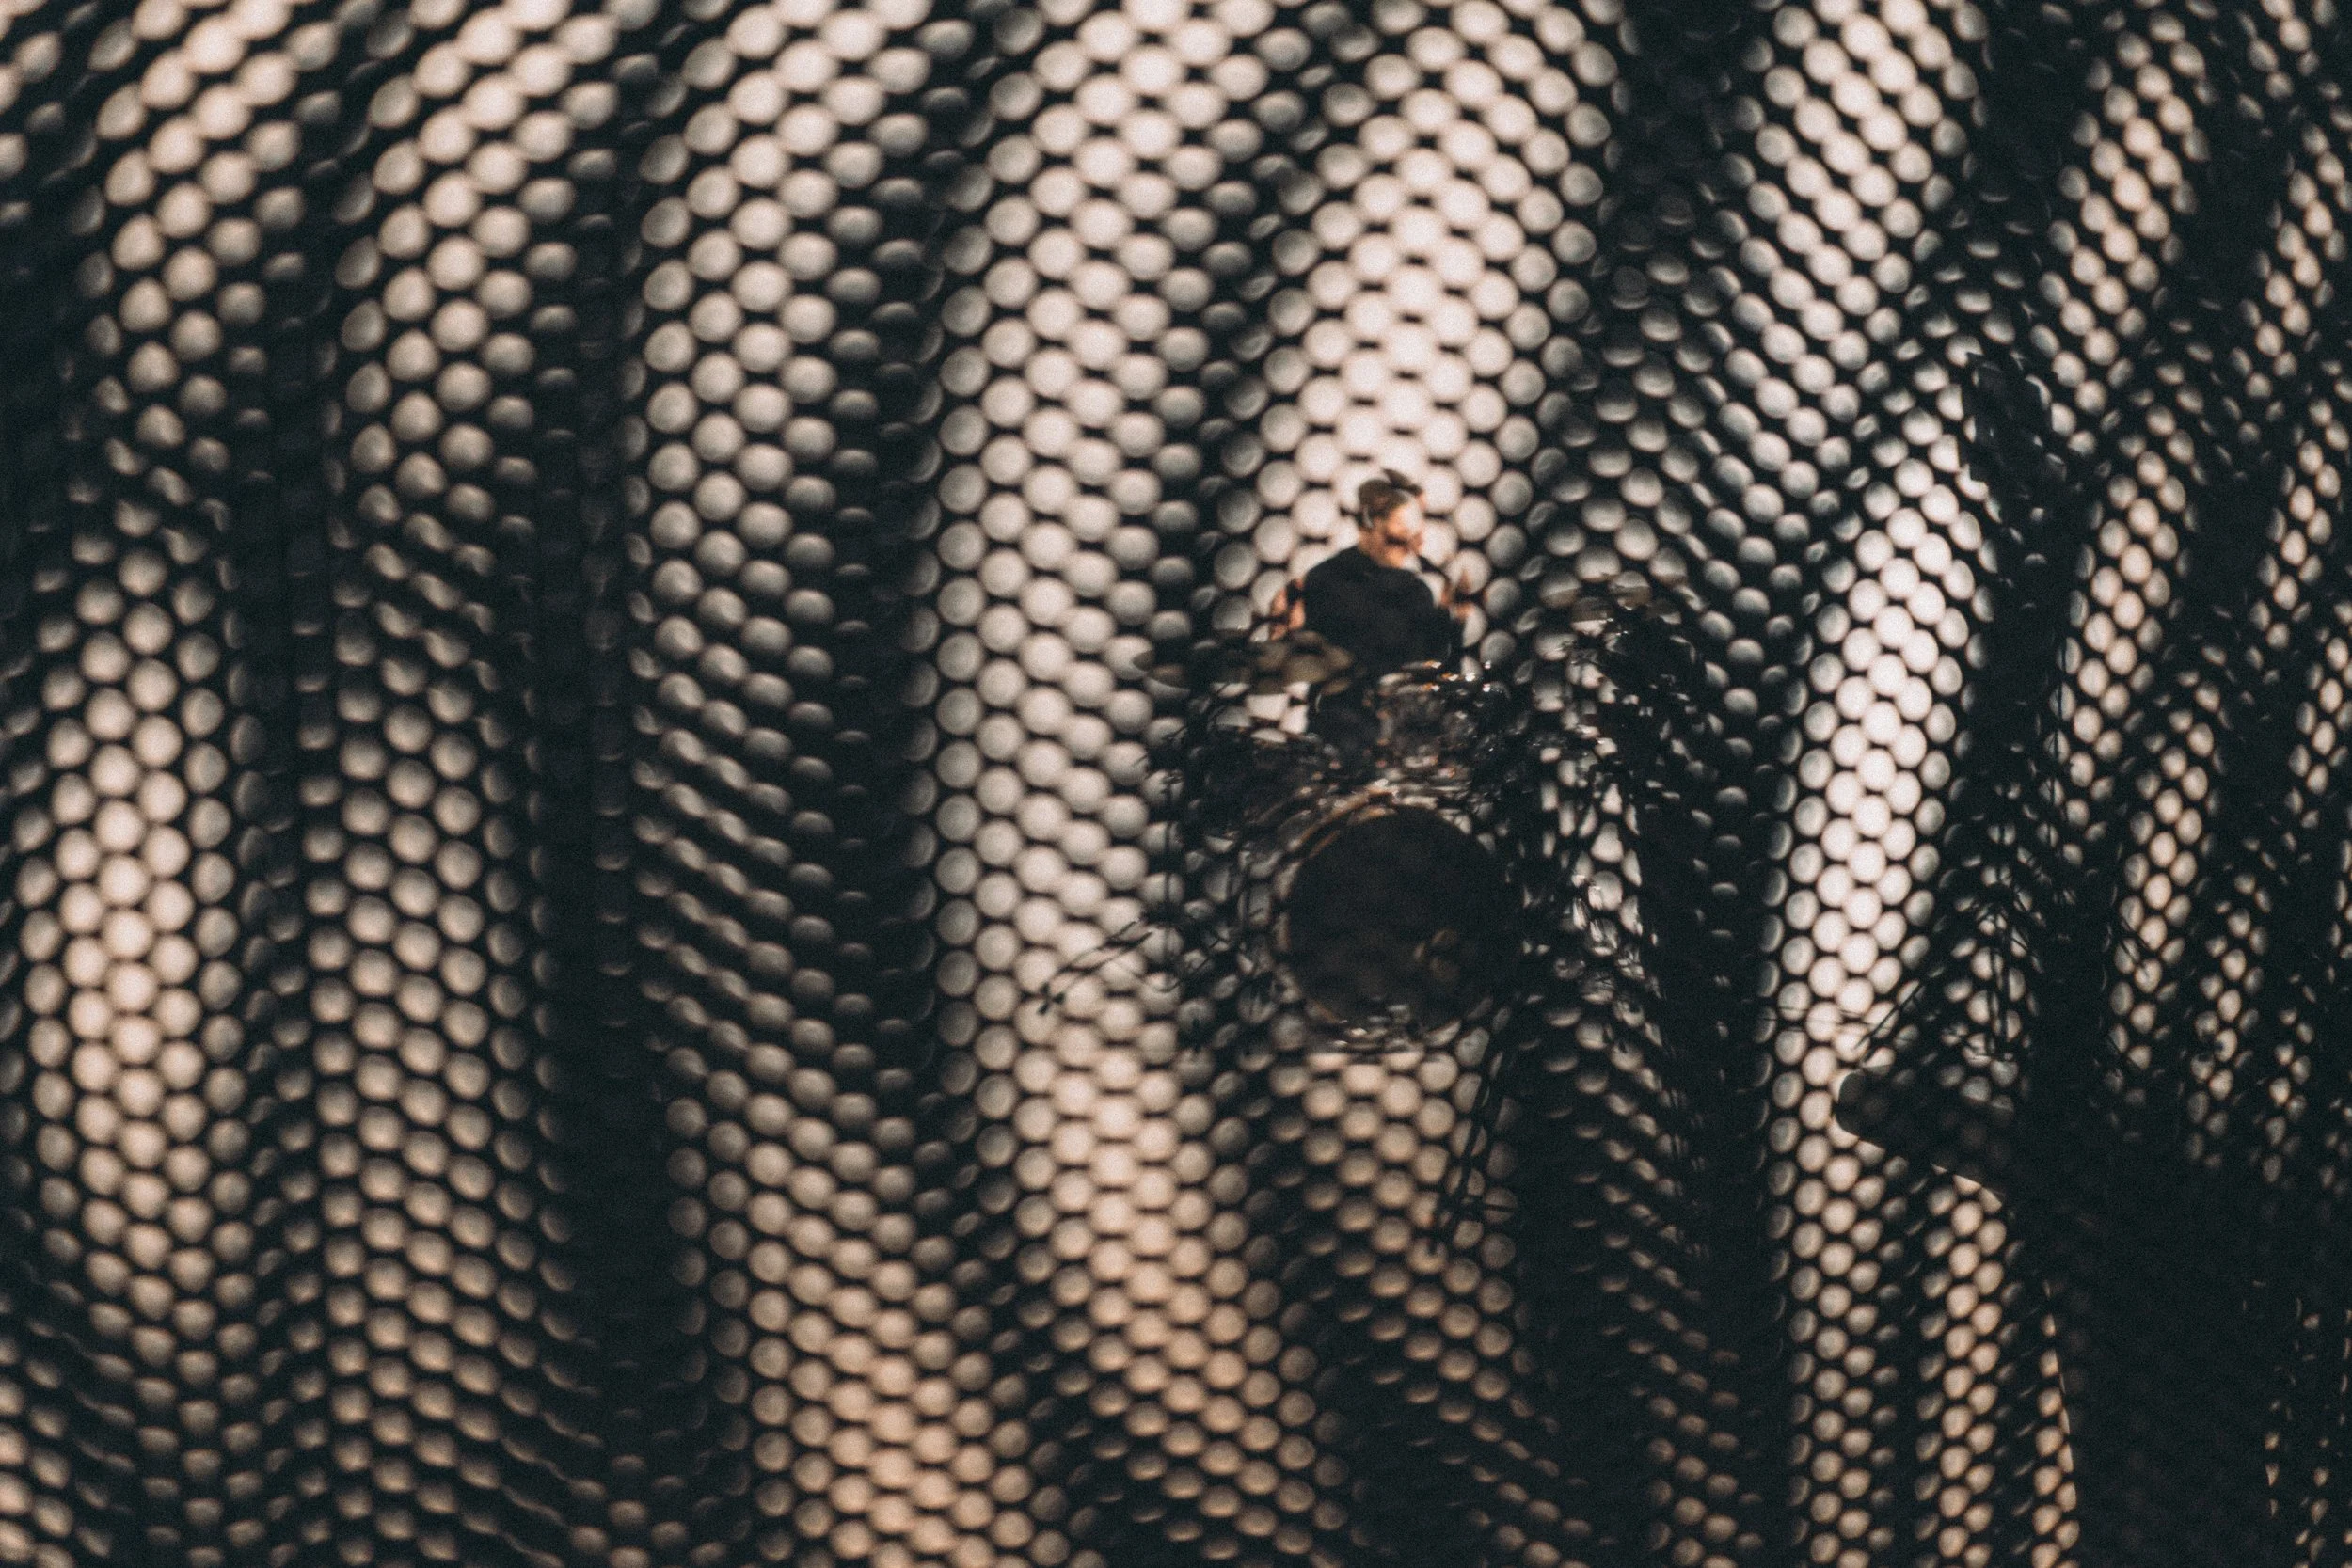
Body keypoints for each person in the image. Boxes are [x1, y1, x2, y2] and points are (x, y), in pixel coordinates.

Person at [1267, 472, 1475, 750]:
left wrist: (1454, 619)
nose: (1414, 538)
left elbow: (1439, 674)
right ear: (1371, 523)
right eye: (1403, 525)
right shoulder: (1325, 580)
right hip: (1338, 739)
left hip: (1395, 746)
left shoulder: (1416, 592)